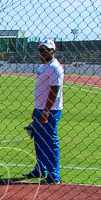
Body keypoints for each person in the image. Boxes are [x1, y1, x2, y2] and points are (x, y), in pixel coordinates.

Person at [23, 38, 63, 185]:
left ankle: (53, 175)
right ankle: (40, 169)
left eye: (46, 50)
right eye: (41, 50)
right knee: (39, 141)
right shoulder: (45, 66)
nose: (43, 52)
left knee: (50, 142)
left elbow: (54, 91)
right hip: (41, 108)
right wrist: (37, 108)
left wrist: (46, 112)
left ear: (53, 51)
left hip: (50, 110)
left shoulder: (54, 67)